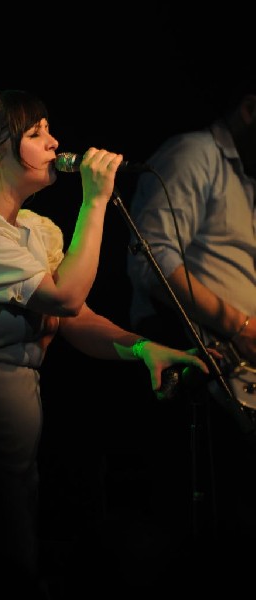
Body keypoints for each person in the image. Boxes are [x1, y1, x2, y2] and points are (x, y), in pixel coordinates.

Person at [0, 89, 213, 597]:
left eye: (49, 130)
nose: (54, 143)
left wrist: (140, 347)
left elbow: (76, 319)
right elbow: (67, 298)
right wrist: (95, 202)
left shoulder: (35, 229)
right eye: (35, 134)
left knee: (17, 544)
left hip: (19, 423)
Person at [126, 75, 255, 586]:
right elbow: (152, 260)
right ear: (249, 107)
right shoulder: (195, 153)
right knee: (215, 527)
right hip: (199, 364)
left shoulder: (245, 177)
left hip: (237, 371)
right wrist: (239, 324)